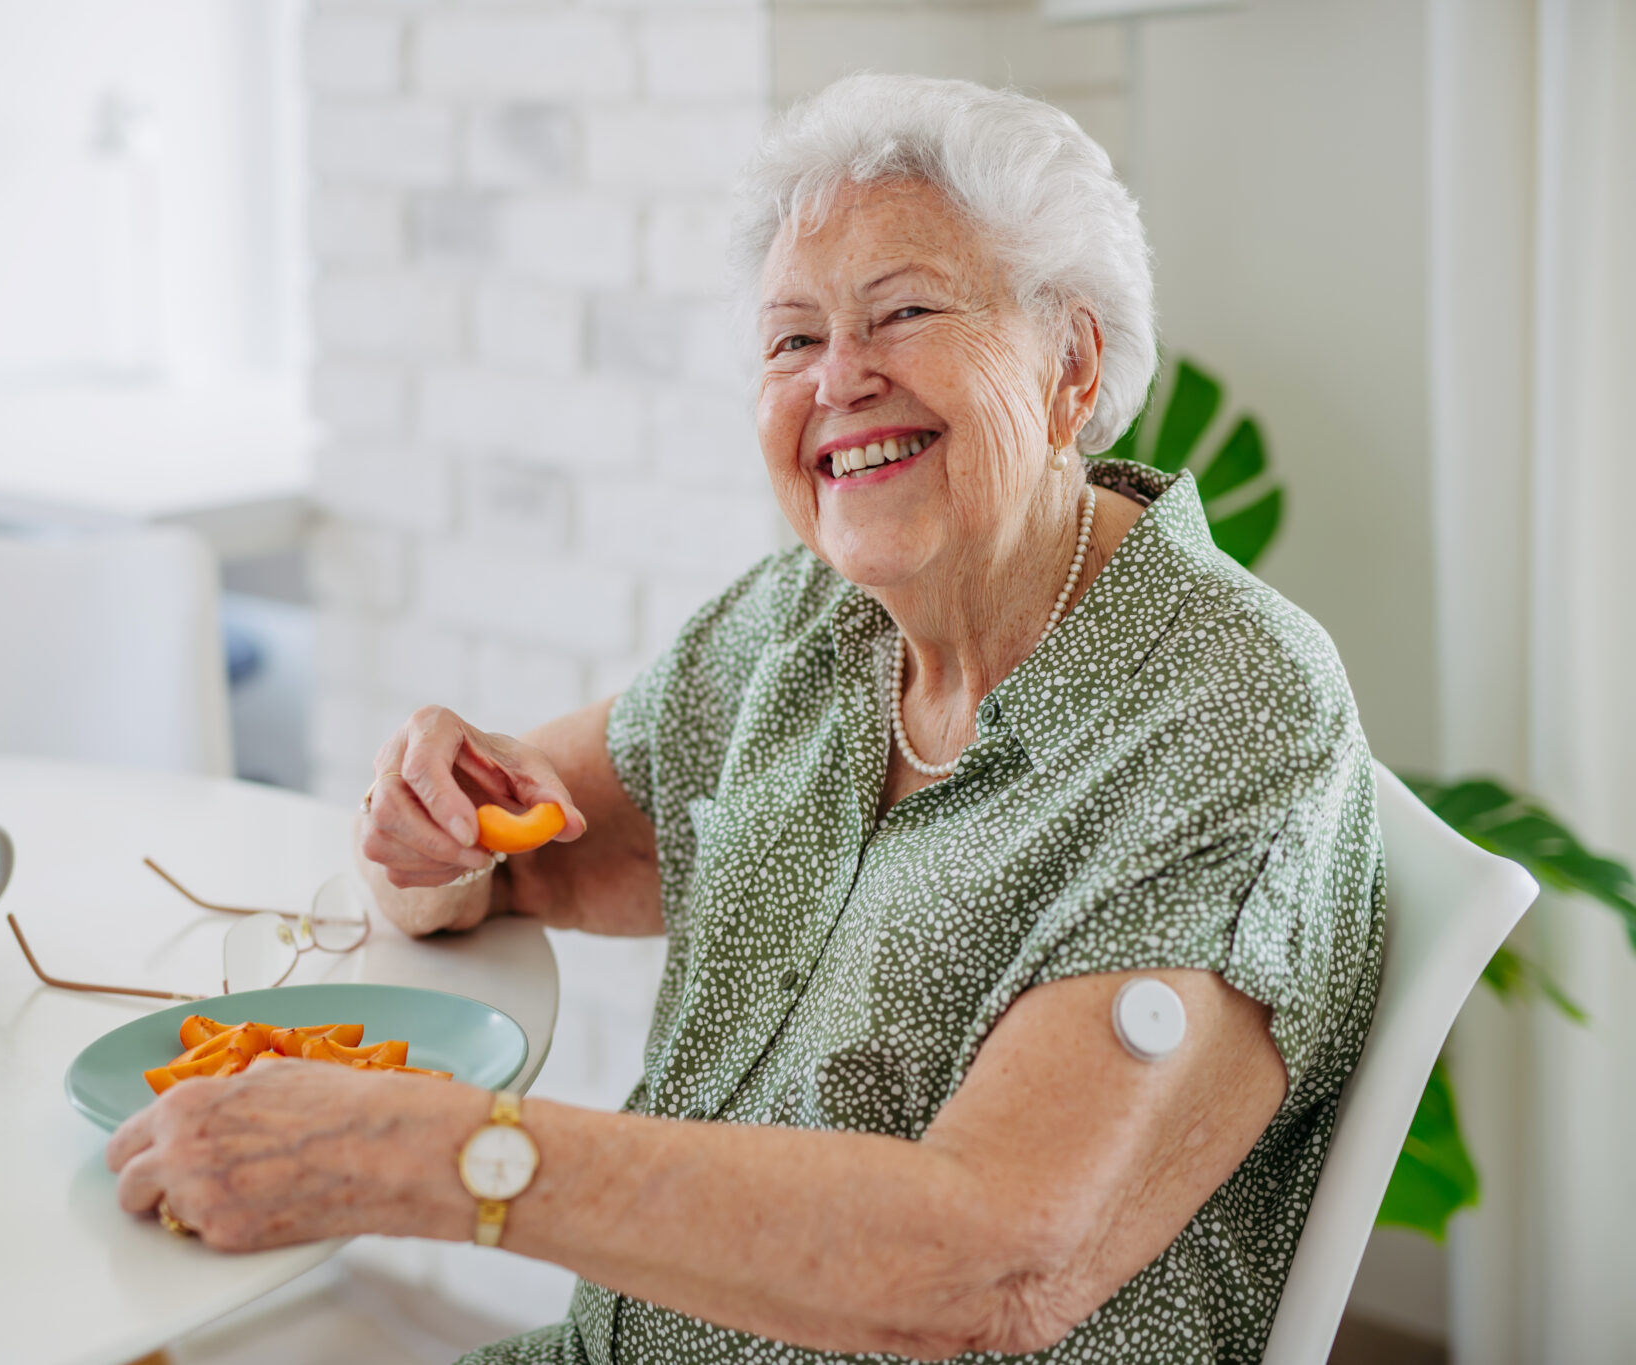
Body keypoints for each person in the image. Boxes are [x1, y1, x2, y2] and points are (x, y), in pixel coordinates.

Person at [106, 73, 1384, 1364]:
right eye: (790, 340)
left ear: (1073, 364)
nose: (840, 379)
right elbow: (528, 850)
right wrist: (437, 821)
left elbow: (996, 1259)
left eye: (904, 312)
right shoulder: (809, 625)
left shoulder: (1225, 707)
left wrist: (431, 1157)